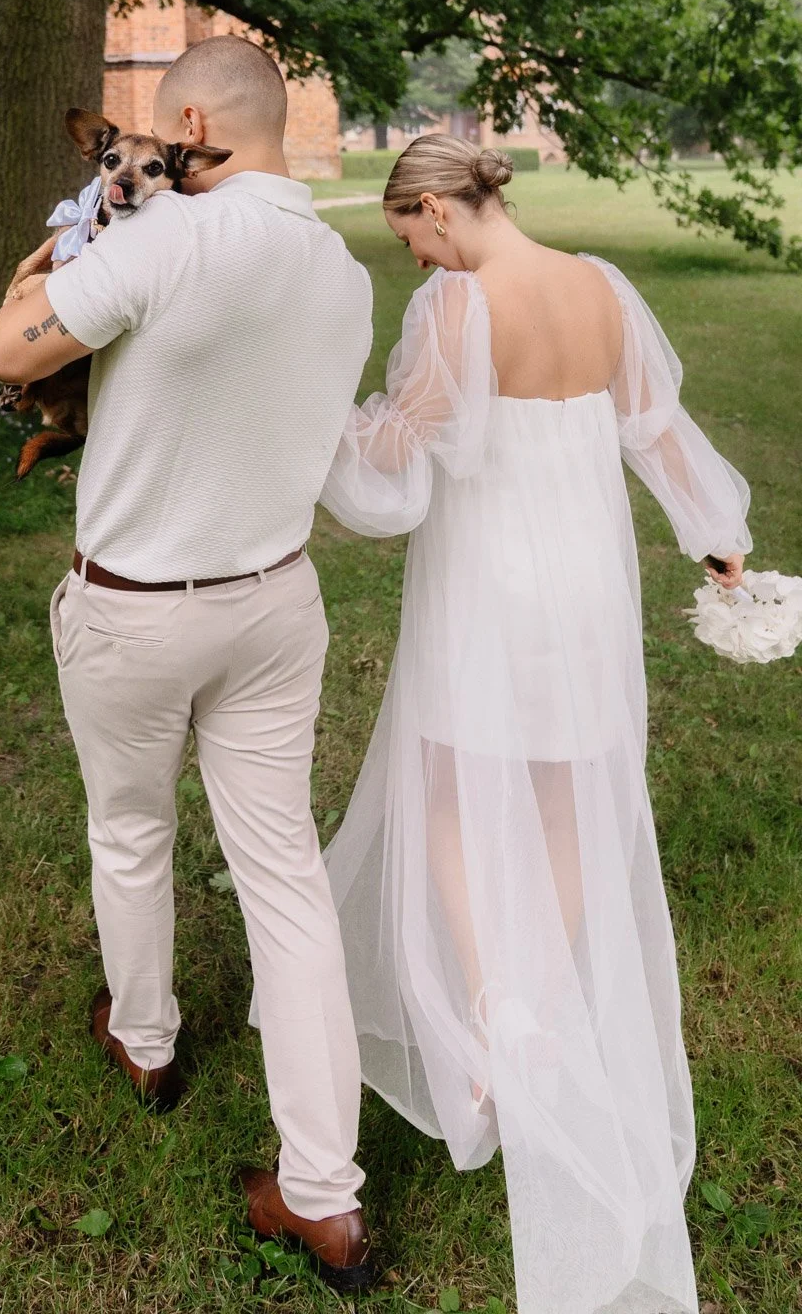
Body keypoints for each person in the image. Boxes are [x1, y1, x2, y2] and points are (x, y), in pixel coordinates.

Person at [318, 133, 751, 1314]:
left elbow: (400, 462)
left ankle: (493, 1031)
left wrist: (316, 434)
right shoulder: (603, 287)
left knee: (449, 792)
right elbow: (656, 429)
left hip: (489, 585)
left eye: (405, 237)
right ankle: (539, 1007)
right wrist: (716, 536)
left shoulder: (457, 306)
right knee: (562, 801)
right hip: (587, 590)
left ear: (434, 209)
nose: (409, 260)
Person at [0, 36, 379, 1291]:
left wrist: (38, 267)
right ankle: (323, 1196)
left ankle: (147, 1039)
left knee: (130, 834)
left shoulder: (158, 241)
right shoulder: (340, 269)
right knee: (285, 878)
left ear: (193, 119)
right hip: (275, 602)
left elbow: (10, 358)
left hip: (138, 613)